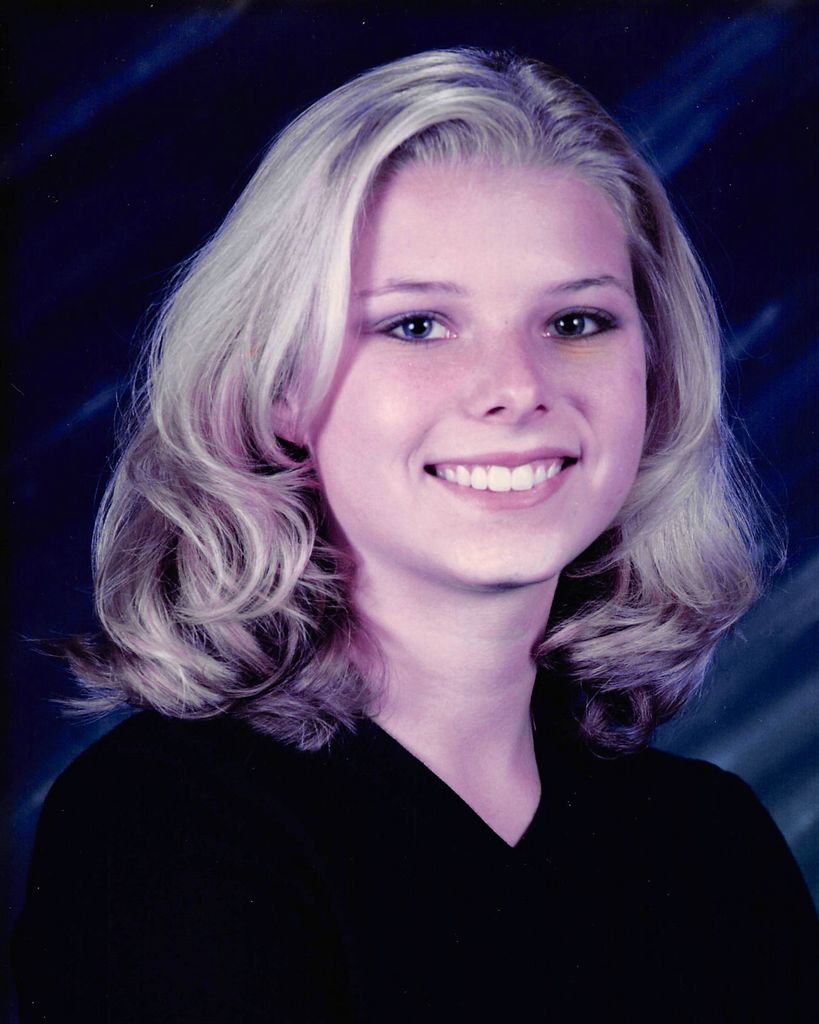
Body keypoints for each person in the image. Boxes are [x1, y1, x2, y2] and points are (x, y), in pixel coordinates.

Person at [12, 47, 819, 1022]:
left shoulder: (715, 843)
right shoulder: (161, 827)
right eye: (417, 326)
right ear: (278, 389)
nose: (516, 387)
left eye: (575, 321)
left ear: (654, 372)